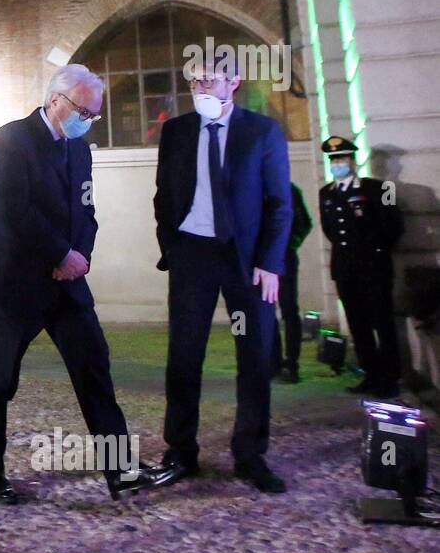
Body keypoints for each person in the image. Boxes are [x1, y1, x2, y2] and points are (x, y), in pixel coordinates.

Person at [0, 64, 175, 504]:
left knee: (94, 369)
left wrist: (79, 258)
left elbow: (87, 212)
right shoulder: (12, 139)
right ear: (57, 100)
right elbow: (12, 211)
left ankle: (121, 471)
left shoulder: (80, 151)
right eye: (85, 111)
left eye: (95, 115)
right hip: (16, 283)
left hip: (66, 286)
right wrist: (60, 253)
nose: (89, 120)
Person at [154, 59, 292, 493]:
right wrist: (172, 248)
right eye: (192, 79)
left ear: (234, 81)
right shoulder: (176, 132)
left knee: (254, 355)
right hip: (193, 255)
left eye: (207, 79)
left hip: (246, 261)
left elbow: (279, 203)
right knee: (183, 355)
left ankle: (250, 454)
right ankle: (180, 451)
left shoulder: (262, 131)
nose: (199, 86)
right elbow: (163, 197)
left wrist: (270, 262)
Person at [317, 136, 404, 399]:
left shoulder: (380, 188)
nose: (338, 164)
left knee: (382, 322)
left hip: (374, 267)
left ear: (352, 161)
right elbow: (330, 230)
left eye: (342, 159)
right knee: (359, 324)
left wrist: (375, 253)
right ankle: (371, 373)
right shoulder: (327, 193)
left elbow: (395, 226)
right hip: (345, 268)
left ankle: (390, 377)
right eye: (334, 160)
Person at [272, 182, 313, 383]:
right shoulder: (249, 185)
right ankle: (273, 362)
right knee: (265, 313)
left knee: (289, 311)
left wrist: (288, 246)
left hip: (283, 258)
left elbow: (304, 223)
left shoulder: (288, 189)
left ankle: (291, 363)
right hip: (258, 261)